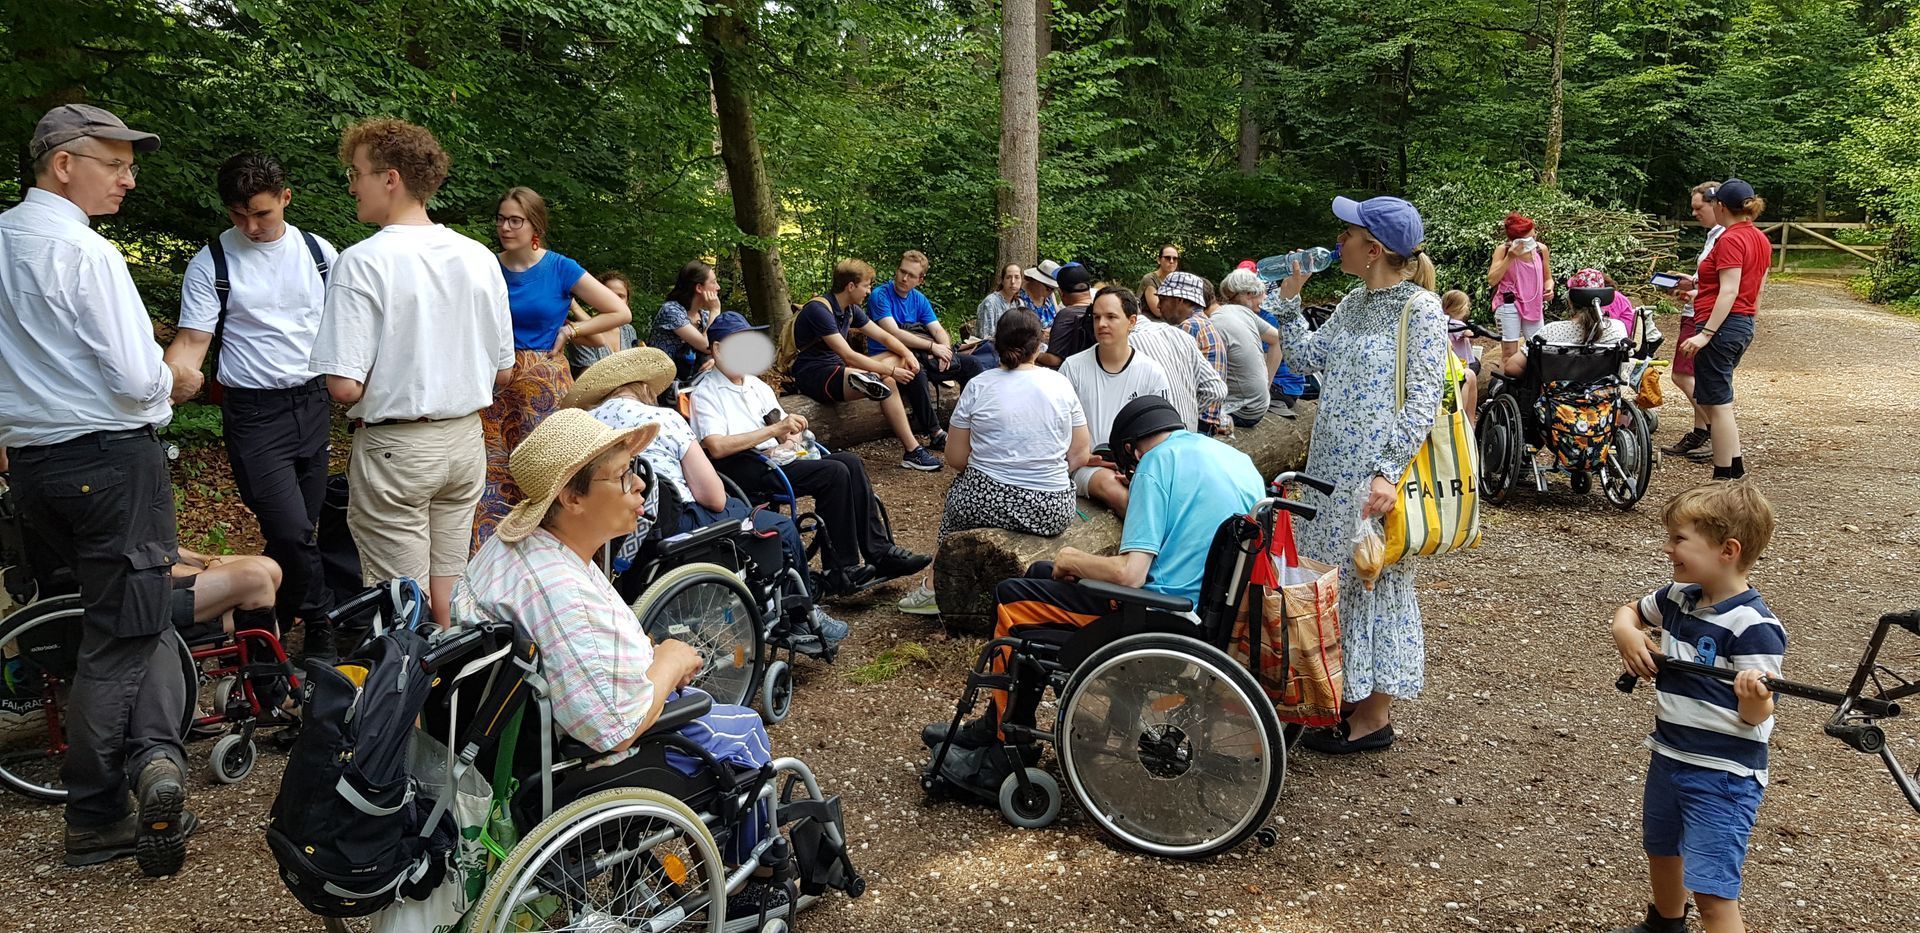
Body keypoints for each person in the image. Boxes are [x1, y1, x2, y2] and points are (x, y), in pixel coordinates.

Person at [452, 409, 797, 915]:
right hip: (573, 767)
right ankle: (751, 881)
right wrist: (670, 663)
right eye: (622, 476)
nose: (640, 486)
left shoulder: (513, 549)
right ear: (571, 497)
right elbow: (612, 727)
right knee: (742, 729)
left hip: (511, 742)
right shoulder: (559, 590)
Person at [0, 104, 197, 876]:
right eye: (113, 163)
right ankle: (93, 813)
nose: (128, 177)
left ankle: (153, 762)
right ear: (61, 165)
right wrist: (170, 380)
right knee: (118, 636)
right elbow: (133, 379)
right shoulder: (84, 254)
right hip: (110, 462)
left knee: (118, 624)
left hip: (35, 468)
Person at [920, 396, 1262, 790]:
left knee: (1013, 598)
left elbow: (1131, 573)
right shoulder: (1236, 461)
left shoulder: (1156, 464)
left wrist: (1074, 559)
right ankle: (996, 722)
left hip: (1154, 616)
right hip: (1205, 615)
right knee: (1039, 574)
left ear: (1132, 449)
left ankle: (1003, 752)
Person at [308, 118, 515, 632]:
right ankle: (455, 703)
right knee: (450, 583)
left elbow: (343, 386)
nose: (352, 185)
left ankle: (408, 711)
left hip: (397, 451)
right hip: (465, 443)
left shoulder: (362, 262)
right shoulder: (478, 257)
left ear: (391, 179)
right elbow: (504, 372)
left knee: (401, 600)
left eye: (356, 173)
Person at [1264, 195, 1447, 755]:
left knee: (1375, 582)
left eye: (1346, 234)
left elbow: (1423, 398)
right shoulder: (1351, 301)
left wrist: (1388, 473)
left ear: (1374, 249)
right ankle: (1341, 695)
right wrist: (1290, 302)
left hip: (1374, 474)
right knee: (1336, 581)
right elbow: (1304, 360)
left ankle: (1373, 717)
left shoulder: (1421, 309)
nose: (1335, 242)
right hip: (1330, 471)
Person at [162, 152, 340, 658]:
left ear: (285, 198)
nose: (251, 226)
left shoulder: (319, 253)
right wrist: (171, 379)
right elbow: (194, 339)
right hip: (253, 414)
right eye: (239, 215)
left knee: (297, 534)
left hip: (312, 403)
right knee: (290, 530)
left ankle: (266, 632)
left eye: (261, 213)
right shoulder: (212, 261)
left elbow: (347, 329)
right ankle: (320, 619)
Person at [566, 346, 848, 652]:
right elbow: (712, 497)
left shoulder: (585, 429)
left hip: (611, 538)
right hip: (672, 527)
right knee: (776, 525)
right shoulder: (661, 418)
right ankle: (799, 616)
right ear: (644, 387)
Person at [1608, 482, 1782, 933]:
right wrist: (1627, 633)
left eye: (1679, 540)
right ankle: (1664, 925)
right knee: (1662, 849)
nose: (1668, 549)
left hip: (1723, 775)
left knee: (1712, 891)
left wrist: (1753, 697)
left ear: (1727, 549)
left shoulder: (1753, 627)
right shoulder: (1678, 597)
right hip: (1669, 755)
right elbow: (1629, 612)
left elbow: (1758, 718)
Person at [691, 312, 932, 597]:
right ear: (718, 349)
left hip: (775, 458)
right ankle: (841, 569)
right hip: (741, 467)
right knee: (833, 473)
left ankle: (879, 551)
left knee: (850, 462)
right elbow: (717, 446)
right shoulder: (705, 393)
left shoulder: (756, 386)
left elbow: (779, 426)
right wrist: (775, 432)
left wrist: (792, 433)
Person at [897, 309, 1091, 616]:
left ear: (995, 343)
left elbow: (955, 459)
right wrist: (1043, 469)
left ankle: (932, 588)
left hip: (985, 502)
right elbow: (1080, 453)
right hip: (1052, 509)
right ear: (1039, 344)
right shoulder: (1060, 384)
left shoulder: (979, 385)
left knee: (956, 501)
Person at [474, 186, 634, 548]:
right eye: (501, 219)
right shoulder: (485, 266)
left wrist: (573, 329)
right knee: (492, 477)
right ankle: (491, 566)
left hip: (544, 387)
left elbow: (619, 312)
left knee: (550, 476)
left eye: (516, 220)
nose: (506, 227)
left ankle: (553, 556)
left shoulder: (559, 267)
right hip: (493, 388)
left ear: (536, 227)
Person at [785, 259, 942, 471]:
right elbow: (849, 355)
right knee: (887, 381)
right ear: (851, 286)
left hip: (840, 368)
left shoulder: (850, 309)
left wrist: (907, 354)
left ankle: (869, 380)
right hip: (816, 375)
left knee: (896, 360)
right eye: (866, 286)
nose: (869, 291)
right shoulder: (819, 310)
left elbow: (885, 337)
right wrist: (892, 370)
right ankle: (912, 450)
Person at [1680, 179, 1769, 482]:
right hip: (1740, 323)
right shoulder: (1760, 238)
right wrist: (1700, 295)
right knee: (1719, 401)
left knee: (1717, 405)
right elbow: (1753, 290)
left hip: (1722, 326)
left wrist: (1705, 333)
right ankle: (1735, 470)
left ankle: (1722, 479)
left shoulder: (1730, 239)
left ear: (1720, 206)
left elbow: (1729, 291)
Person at [1060, 287, 1171, 516]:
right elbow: (1055, 427)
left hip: (1138, 467)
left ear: (1131, 322)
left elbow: (1164, 437)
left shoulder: (1151, 372)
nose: (1101, 324)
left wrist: (1138, 470)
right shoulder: (1072, 368)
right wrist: (1081, 457)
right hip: (1086, 465)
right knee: (1115, 491)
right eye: (1097, 317)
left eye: (1111, 317)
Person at [867, 250, 987, 448]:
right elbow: (892, 333)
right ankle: (935, 432)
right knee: (915, 370)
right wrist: (932, 347)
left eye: (911, 275)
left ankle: (972, 423)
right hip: (889, 358)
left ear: (920, 279)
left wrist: (945, 352)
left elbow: (938, 329)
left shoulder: (919, 299)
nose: (904, 278)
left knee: (972, 364)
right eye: (902, 271)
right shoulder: (880, 295)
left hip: (921, 354)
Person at [1663, 181, 1730, 463]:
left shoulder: (1724, 237)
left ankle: (1717, 430)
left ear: (1716, 205)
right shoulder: (1714, 235)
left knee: (1681, 374)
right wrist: (1691, 281)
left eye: (1698, 207)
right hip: (1696, 310)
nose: (1694, 213)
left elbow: (1728, 285)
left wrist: (1696, 291)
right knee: (1696, 375)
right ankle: (1699, 431)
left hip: (1702, 316)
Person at [1130, 271, 1227, 435]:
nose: (1158, 306)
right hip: (1211, 419)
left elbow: (1214, 390)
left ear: (1180, 300)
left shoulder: (1187, 327)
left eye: (1163, 300)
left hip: (1199, 423)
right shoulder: (1203, 322)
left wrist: (1187, 410)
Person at [1500, 274, 1628, 377]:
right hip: (1602, 400)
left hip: (1558, 403)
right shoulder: (1617, 329)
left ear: (1570, 300)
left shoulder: (1551, 331)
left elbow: (1512, 368)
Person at [1212, 269, 1287, 429]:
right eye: (1262, 293)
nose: (1265, 297)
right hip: (1261, 406)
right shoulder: (1246, 314)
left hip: (1242, 412)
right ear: (1248, 294)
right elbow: (1279, 340)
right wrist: (1266, 384)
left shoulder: (1222, 318)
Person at [1486, 212, 1552, 359]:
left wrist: (1549, 288)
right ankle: (1508, 381)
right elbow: (1492, 280)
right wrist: (1510, 257)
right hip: (1509, 303)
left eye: (1534, 237)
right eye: (1529, 239)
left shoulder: (1541, 250)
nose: (1533, 240)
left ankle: (1533, 381)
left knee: (1538, 349)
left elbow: (1548, 278)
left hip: (1534, 304)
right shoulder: (1503, 250)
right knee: (1509, 352)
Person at [652, 260, 721, 382]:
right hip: (664, 385)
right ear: (699, 288)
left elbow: (719, 349)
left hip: (693, 384)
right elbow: (707, 345)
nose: (718, 287)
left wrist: (715, 360)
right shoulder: (671, 311)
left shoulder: (704, 316)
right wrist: (715, 311)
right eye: (713, 282)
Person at [565, 270, 641, 378]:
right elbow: (588, 377)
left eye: (621, 296)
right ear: (597, 299)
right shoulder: (581, 331)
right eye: (609, 294)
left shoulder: (628, 330)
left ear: (627, 302)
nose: (615, 300)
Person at [1035, 263, 1096, 367]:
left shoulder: (1066, 315)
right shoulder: (1100, 312)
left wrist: (1034, 354)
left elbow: (1054, 360)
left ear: (1061, 293)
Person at [1440, 289, 1480, 415]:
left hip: (1451, 363)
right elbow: (1466, 333)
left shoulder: (1443, 321)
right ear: (1460, 308)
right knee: (1466, 380)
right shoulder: (1456, 324)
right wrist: (1472, 332)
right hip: (1459, 363)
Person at [976, 262, 1023, 344]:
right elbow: (986, 338)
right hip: (992, 350)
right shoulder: (990, 303)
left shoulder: (1019, 303)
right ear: (1002, 280)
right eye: (1008, 277)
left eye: (1017, 277)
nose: (1013, 281)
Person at [1016, 260, 1061, 329]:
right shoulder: (1019, 299)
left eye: (1054, 289)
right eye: (1049, 288)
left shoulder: (1050, 296)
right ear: (1037, 280)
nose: (1052, 292)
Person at [1139, 243, 1180, 318]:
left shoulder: (1177, 281)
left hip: (1171, 321)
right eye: (1167, 258)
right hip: (1150, 323)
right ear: (1159, 260)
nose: (1171, 261)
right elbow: (1158, 311)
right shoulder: (1150, 279)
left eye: (1175, 258)